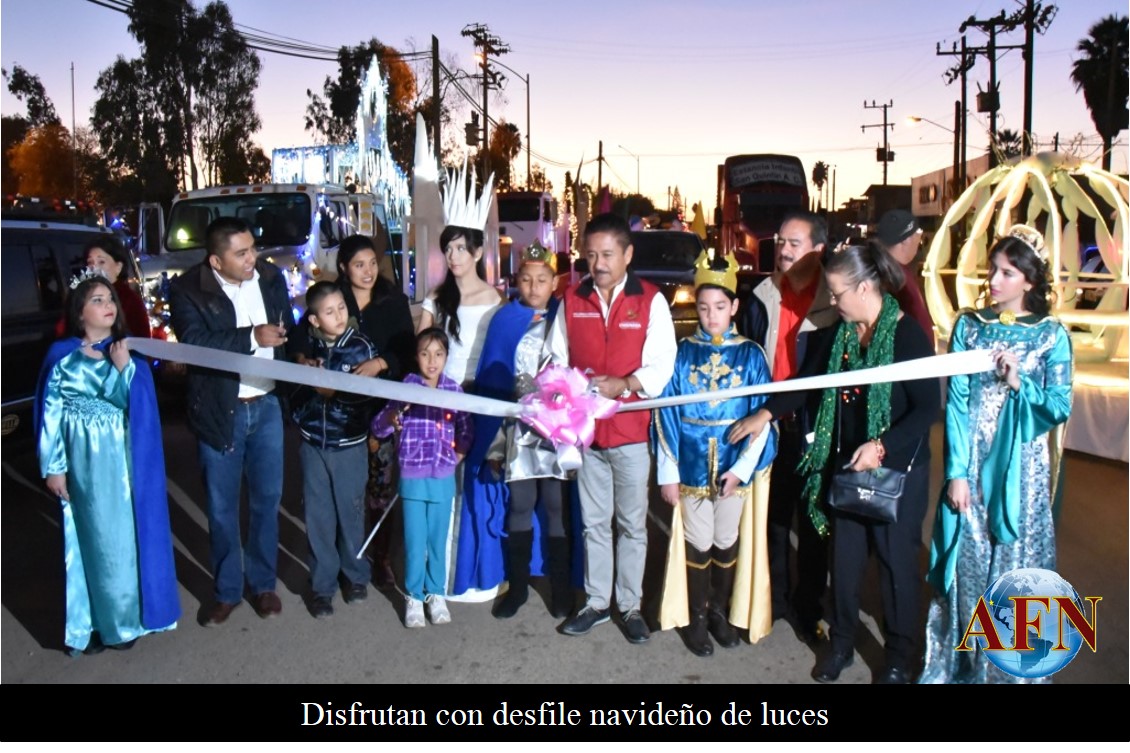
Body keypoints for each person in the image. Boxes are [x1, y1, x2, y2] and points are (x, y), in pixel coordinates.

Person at [731, 241, 939, 683]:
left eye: (837, 293)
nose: (831, 301)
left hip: (896, 471)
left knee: (895, 566)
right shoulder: (840, 335)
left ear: (864, 288)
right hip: (847, 467)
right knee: (843, 564)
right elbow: (808, 382)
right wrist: (765, 414)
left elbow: (925, 409)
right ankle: (841, 644)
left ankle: (901, 656)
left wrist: (881, 447)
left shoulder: (907, 335)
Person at [921, 225, 1073, 684]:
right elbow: (958, 405)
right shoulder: (969, 327)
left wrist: (1018, 384)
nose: (994, 280)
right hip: (971, 468)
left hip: (1021, 475)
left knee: (1016, 568)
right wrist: (957, 473)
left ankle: (1012, 673)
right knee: (967, 568)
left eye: (1007, 273)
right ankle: (964, 668)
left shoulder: (1051, 336)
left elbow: (1059, 405)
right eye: (993, 270)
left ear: (1029, 281)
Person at [548, 212, 677, 644]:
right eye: (590, 254)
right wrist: (564, 392)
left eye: (607, 254)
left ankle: (631, 605)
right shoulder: (572, 299)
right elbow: (554, 359)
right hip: (587, 436)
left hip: (631, 433)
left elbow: (662, 363)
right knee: (593, 523)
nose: (598, 263)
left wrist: (626, 384)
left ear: (627, 254)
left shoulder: (651, 300)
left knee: (632, 524)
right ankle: (597, 602)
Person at [37, 271, 179, 655]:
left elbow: (133, 408)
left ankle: (124, 621)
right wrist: (54, 465)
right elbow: (52, 413)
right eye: (97, 300)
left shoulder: (125, 354)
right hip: (82, 463)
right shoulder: (62, 358)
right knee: (88, 541)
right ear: (80, 311)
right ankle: (94, 621)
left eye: (111, 300)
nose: (108, 306)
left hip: (120, 463)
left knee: (120, 542)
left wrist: (120, 369)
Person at [168, 216, 294, 626]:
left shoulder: (271, 277)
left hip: (268, 405)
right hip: (221, 410)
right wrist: (250, 337)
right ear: (216, 261)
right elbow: (193, 343)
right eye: (241, 253)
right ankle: (226, 591)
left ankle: (263, 585)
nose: (252, 258)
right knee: (222, 509)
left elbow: (286, 330)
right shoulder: (188, 289)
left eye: (253, 248)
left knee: (266, 502)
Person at [653, 251, 777, 657]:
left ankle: (720, 612)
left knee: (727, 539)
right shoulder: (682, 352)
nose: (711, 315)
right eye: (704, 307)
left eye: (720, 307)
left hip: (733, 466)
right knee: (698, 540)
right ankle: (697, 617)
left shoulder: (752, 355)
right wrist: (667, 472)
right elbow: (666, 412)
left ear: (734, 307)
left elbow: (762, 417)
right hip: (690, 462)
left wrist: (742, 469)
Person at [292, 233, 415, 589]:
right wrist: (304, 361)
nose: (368, 271)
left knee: (377, 490)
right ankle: (333, 570)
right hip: (334, 417)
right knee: (335, 498)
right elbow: (301, 341)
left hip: (378, 413)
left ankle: (378, 558)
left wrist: (380, 363)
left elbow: (407, 350)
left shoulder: (392, 301)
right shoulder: (331, 300)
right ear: (344, 268)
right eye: (359, 265)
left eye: (373, 263)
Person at [741, 210, 839, 643]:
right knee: (772, 517)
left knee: (814, 522)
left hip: (815, 424)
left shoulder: (837, 299)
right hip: (768, 424)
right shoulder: (760, 295)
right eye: (780, 241)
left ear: (818, 251)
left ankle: (808, 605)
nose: (782, 249)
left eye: (793, 243)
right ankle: (774, 600)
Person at [473, 243, 572, 620]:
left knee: (555, 506)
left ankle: (561, 588)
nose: (534, 287)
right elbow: (494, 380)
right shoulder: (505, 319)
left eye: (542, 279)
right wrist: (496, 445)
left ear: (555, 282)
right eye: (527, 279)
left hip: (558, 432)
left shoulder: (565, 319)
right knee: (519, 505)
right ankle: (517, 588)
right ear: (517, 281)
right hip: (518, 431)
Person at [420, 169, 504, 603]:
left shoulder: (493, 300)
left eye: (460, 248)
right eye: (448, 248)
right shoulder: (435, 301)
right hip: (441, 403)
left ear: (476, 251)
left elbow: (501, 355)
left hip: (482, 402)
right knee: (441, 487)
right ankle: (440, 573)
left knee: (477, 486)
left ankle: (478, 572)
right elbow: (423, 353)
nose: (453, 256)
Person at [371, 328, 474, 628]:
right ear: (416, 357)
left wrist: (456, 458)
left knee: (437, 540)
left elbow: (467, 429)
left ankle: (435, 594)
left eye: (438, 354)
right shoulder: (405, 389)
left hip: (443, 478)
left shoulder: (454, 391)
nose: (432, 361)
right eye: (425, 354)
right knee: (415, 541)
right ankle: (414, 596)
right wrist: (392, 417)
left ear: (446, 357)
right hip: (413, 479)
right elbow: (380, 427)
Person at [291, 281, 379, 619]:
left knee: (351, 512)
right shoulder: (306, 349)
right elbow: (293, 389)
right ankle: (322, 585)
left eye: (341, 307)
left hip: (349, 444)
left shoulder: (359, 347)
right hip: (313, 443)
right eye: (329, 312)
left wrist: (333, 394)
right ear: (314, 320)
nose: (339, 315)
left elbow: (364, 396)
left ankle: (356, 574)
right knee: (319, 516)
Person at [56, 236, 151, 338]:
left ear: (118, 267)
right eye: (90, 262)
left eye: (101, 262)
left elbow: (142, 340)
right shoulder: (81, 295)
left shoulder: (129, 300)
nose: (94, 267)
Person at [877, 209, 933, 346]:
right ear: (906, 240)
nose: (920, 239)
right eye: (917, 233)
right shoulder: (894, 277)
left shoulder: (892, 270)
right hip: (910, 359)